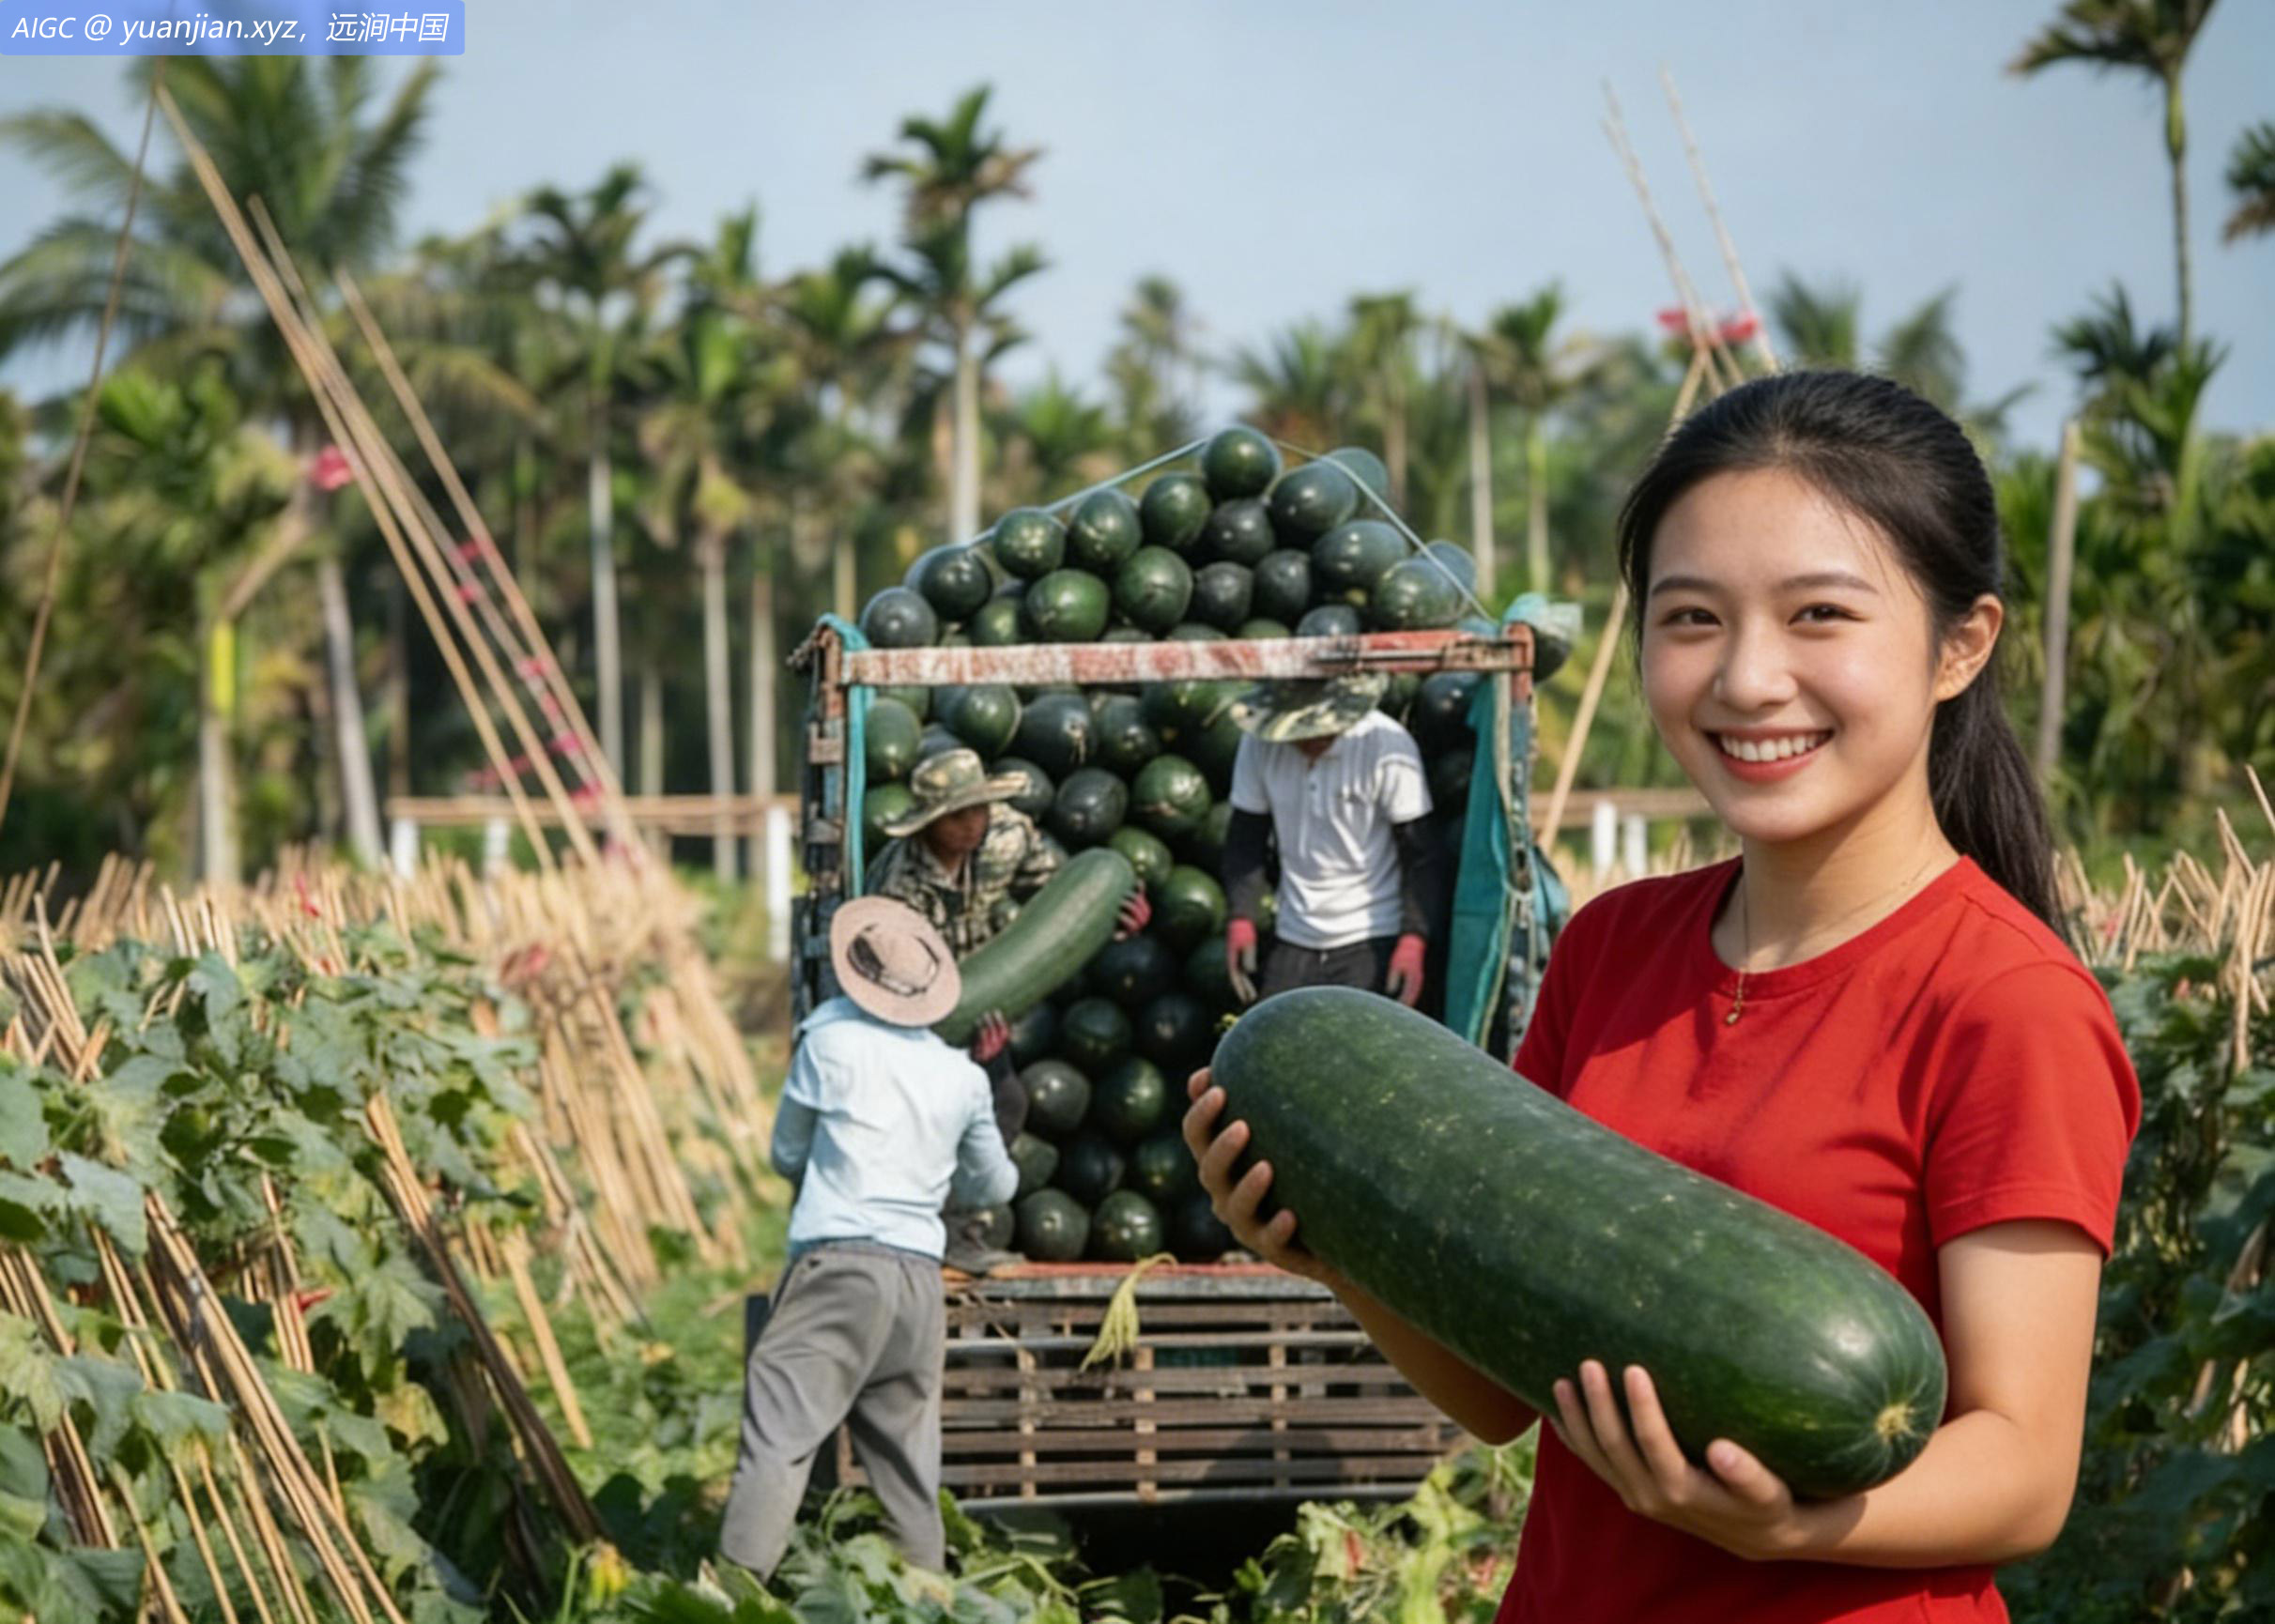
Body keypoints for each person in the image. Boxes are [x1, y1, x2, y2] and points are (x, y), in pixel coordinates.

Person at [1184, 372, 2142, 1624]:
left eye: (1815, 615)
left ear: (1958, 643)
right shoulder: (1609, 946)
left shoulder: (2003, 1000)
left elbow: (2019, 1471)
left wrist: (1788, 1524)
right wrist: (1325, 1250)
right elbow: (1498, 1393)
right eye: (1690, 617)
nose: (1746, 679)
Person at [717, 897, 1018, 1581]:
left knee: (778, 1438)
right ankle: (927, 1601)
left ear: (857, 977)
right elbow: (993, 1187)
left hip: (838, 1265)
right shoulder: (962, 1078)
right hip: (917, 1283)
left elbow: (786, 1156)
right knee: (907, 1467)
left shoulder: (827, 1044)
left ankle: (729, 1600)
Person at [866, 746, 1148, 1272]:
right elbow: (888, 981)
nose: (973, 824)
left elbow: (1068, 897)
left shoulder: (1007, 834)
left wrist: (1113, 916)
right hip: (911, 1016)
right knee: (929, 1121)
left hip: (985, 1002)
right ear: (930, 823)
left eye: (979, 809)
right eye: (957, 816)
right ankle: (925, 1235)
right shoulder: (898, 887)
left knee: (1005, 1104)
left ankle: (963, 1231)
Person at [1218, 672, 1437, 1006]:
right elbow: (1245, 841)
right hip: (1294, 932)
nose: (1310, 741)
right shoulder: (1260, 744)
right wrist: (1242, 916)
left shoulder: (1387, 745)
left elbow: (1422, 855)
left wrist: (1412, 940)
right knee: (1278, 1048)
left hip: (1371, 932)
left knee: (1360, 1055)